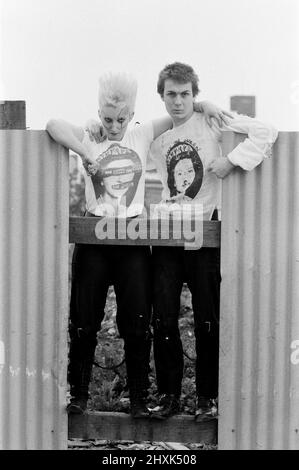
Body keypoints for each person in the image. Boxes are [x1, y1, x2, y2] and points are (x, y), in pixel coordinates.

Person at [46, 71, 231, 418]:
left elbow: (183, 112)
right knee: (84, 319)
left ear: (131, 114)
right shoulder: (91, 133)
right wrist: (86, 148)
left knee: (137, 321)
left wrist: (204, 102)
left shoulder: (140, 133)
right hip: (95, 237)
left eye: (120, 119)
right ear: (99, 113)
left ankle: (139, 399)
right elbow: (54, 124)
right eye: (107, 118)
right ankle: (79, 394)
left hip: (131, 240)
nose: (113, 126)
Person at [148, 62, 278, 420]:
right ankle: (169, 396)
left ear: (195, 95)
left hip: (205, 234)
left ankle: (207, 399)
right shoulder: (156, 135)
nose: (178, 102)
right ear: (162, 97)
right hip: (168, 238)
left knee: (208, 319)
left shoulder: (211, 121)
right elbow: (120, 148)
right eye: (171, 94)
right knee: (164, 318)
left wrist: (232, 160)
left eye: (185, 94)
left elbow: (266, 131)